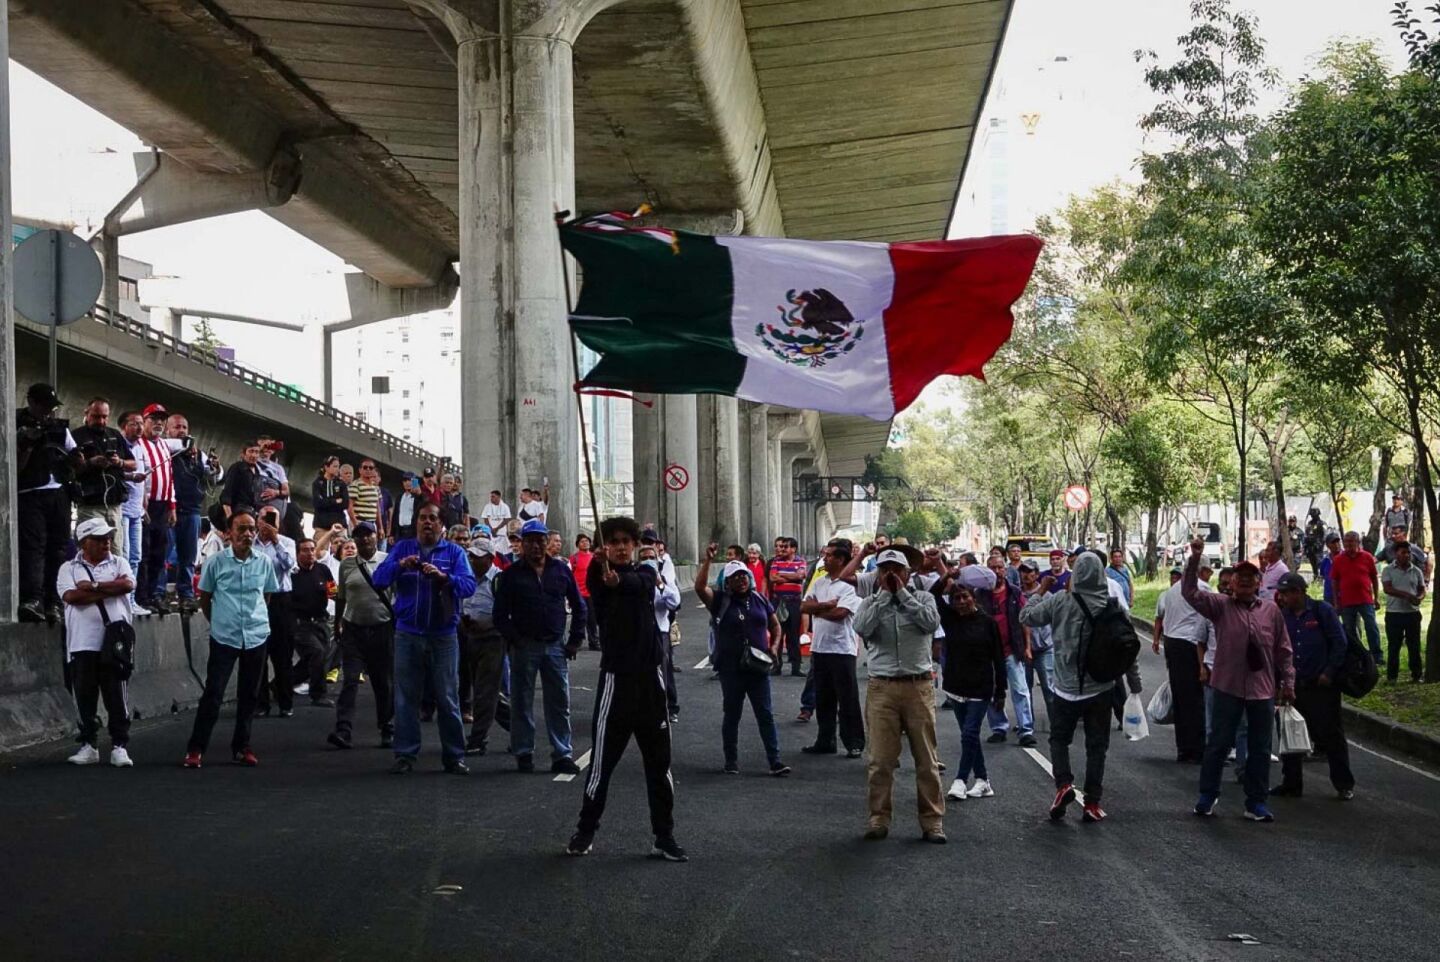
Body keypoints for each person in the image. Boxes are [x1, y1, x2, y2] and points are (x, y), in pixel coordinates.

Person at [570, 516, 687, 862]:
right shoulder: (596, 573)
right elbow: (601, 579)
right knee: (602, 764)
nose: (621, 546)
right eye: (613, 541)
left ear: (635, 545)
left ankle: (663, 836)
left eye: (626, 541)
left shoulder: (645, 572)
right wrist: (610, 577)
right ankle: (585, 830)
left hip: (651, 681)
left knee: (659, 764)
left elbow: (643, 582)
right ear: (603, 546)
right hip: (616, 682)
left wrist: (620, 578)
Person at [1183, 539, 1295, 822]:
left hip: (1262, 691)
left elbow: (1283, 649)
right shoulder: (1219, 607)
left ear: (1259, 583)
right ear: (1231, 583)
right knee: (1218, 744)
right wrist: (1195, 558)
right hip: (1226, 687)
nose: (1245, 580)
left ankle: (1256, 802)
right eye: (1239, 577)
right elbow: (1190, 592)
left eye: (1251, 577)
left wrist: (1288, 683)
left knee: (1260, 748)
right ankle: (1207, 796)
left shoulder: (1271, 611)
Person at [372, 502, 476, 774]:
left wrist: (445, 578)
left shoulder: (454, 552)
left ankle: (454, 756)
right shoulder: (402, 548)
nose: (427, 523)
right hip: (408, 633)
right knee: (406, 697)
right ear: (416, 522)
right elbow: (379, 579)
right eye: (422, 518)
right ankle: (405, 754)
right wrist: (399, 566)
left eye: (432, 518)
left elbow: (468, 586)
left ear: (441, 525)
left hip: (444, 636)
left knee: (447, 696)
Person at [1018, 552, 1123, 823]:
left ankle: (1064, 784)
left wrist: (1040, 590)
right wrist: (1133, 686)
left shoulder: (1060, 601)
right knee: (1096, 745)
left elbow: (1026, 617)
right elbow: (1124, 643)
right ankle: (1092, 802)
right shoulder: (1109, 604)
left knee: (1059, 739)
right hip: (1101, 687)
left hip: (1064, 687)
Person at [853, 546, 946, 843]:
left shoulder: (923, 598)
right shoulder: (869, 602)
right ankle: (878, 817)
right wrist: (884, 598)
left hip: (918, 686)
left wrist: (902, 595)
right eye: (884, 570)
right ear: (877, 575)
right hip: (882, 687)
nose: (890, 575)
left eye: (896, 570)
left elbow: (930, 623)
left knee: (926, 759)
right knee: (880, 760)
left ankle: (932, 822)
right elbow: (862, 628)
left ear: (907, 573)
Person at [184, 510, 279, 768]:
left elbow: (267, 595)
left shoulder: (263, 562)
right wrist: (218, 621)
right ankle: (196, 748)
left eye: (251, 529)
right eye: (241, 529)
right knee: (213, 694)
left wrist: (254, 618)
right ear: (229, 533)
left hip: (256, 634)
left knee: (249, 694)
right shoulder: (215, 562)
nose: (247, 534)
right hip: (224, 636)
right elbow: (205, 598)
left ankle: (242, 746)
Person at [493, 520, 585, 774]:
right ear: (522, 544)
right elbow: (500, 614)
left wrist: (575, 640)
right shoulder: (511, 574)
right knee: (521, 701)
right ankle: (523, 752)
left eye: (540, 540)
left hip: (556, 646)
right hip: (524, 647)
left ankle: (562, 754)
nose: (536, 545)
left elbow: (578, 606)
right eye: (530, 540)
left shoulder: (561, 570)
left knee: (559, 702)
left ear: (547, 543)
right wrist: (515, 640)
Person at [693, 546, 788, 778]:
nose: (741, 580)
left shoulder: (759, 599)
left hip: (758, 668)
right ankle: (731, 760)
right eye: (735, 577)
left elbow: (775, 625)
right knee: (732, 714)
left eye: (743, 576)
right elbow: (699, 588)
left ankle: (775, 761)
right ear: (728, 582)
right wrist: (707, 561)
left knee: (765, 714)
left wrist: (774, 646)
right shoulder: (720, 601)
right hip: (731, 669)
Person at [58, 518, 137, 768]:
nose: (107, 542)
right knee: (84, 695)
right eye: (100, 539)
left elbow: (127, 584)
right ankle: (88, 744)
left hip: (114, 640)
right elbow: (72, 596)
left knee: (116, 693)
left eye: (108, 538)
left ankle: (119, 745)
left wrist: (93, 586)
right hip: (82, 642)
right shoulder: (68, 568)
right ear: (84, 542)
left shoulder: (119, 562)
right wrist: (109, 590)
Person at [1272, 573, 1355, 800]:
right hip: (1292, 685)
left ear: (1299, 591)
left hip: (1320, 685)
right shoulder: (1281, 616)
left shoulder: (1322, 611)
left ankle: (1343, 783)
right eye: (1282, 593)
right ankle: (1291, 783)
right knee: (1289, 733)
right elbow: (1277, 650)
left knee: (1330, 734)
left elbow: (1340, 643)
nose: (1284, 597)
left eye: (1287, 593)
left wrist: (1329, 672)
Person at [933, 581, 1005, 801]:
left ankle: (961, 780)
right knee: (969, 735)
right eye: (957, 598)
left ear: (973, 597)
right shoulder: (950, 620)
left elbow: (999, 658)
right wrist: (946, 575)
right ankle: (983, 780)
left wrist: (1000, 691)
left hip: (980, 687)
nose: (962, 602)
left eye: (965, 597)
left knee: (970, 733)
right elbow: (933, 594)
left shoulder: (988, 623)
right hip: (955, 686)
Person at [328, 522, 395, 750]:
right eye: (359, 536)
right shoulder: (346, 565)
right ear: (354, 540)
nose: (364, 539)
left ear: (376, 537)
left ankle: (387, 728)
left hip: (382, 627)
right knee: (350, 680)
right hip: (354, 628)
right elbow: (341, 596)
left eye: (368, 535)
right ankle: (343, 730)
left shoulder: (388, 560)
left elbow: (396, 593)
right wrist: (338, 623)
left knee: (382, 681)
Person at [799, 538, 865, 758]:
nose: (824, 558)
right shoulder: (820, 582)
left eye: (828, 555)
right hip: (820, 648)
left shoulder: (851, 585)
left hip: (842, 649)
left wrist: (816, 610)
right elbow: (804, 606)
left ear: (840, 559)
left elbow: (841, 614)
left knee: (847, 699)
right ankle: (825, 740)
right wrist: (825, 605)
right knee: (824, 698)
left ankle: (854, 741)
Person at [975, 555, 1035, 747]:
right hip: (988, 652)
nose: (997, 571)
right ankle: (999, 727)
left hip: (1012, 650)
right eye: (993, 568)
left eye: (1000, 567)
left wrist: (1027, 647)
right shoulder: (979, 594)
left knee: (1020, 690)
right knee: (992, 690)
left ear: (1006, 570)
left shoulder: (1014, 593)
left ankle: (1026, 729)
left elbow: (1024, 620)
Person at [1153, 565, 1210, 763]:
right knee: (1197, 698)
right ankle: (1198, 748)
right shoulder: (1203, 589)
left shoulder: (1170, 591)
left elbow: (1163, 616)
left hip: (1173, 643)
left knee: (1180, 697)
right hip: (1192, 645)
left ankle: (1184, 748)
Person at [134, 405, 186, 613]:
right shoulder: (138, 445)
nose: (158, 423)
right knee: (144, 552)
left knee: (159, 554)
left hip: (163, 506)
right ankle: (142, 596)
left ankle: (155, 595)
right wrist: (140, 503)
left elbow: (169, 479)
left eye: (161, 420)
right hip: (146, 505)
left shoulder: (164, 446)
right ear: (144, 421)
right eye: (153, 419)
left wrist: (172, 506)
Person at [167, 413, 220, 614]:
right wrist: (184, 447)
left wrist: (215, 467)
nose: (181, 431)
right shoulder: (165, 448)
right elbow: (167, 446)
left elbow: (215, 476)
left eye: (184, 427)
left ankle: (186, 595)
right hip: (170, 509)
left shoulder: (198, 454)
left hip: (192, 510)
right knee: (163, 555)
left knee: (188, 557)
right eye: (177, 427)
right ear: (168, 429)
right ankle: (159, 592)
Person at [460, 541, 506, 756]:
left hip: (493, 640)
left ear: (490, 558)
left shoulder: (500, 581)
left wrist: (488, 624)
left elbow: (508, 614)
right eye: (471, 556)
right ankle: (519, 726)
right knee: (485, 691)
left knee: (485, 691)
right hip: (470, 638)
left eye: (478, 556)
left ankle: (478, 738)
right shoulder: (468, 579)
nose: (473, 560)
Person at [69, 397, 134, 540]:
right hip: (90, 504)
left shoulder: (114, 435)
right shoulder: (76, 436)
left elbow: (133, 464)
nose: (101, 421)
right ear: (86, 414)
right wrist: (90, 463)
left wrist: (119, 462)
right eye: (96, 416)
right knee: (92, 548)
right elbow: (69, 471)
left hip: (114, 505)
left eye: (104, 417)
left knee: (117, 552)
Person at [289, 537, 336, 708]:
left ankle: (282, 684)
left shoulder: (323, 570)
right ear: (297, 553)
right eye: (305, 550)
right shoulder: (292, 573)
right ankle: (318, 695)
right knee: (316, 653)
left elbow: (333, 592)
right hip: (301, 625)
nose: (309, 553)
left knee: (318, 658)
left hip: (321, 622)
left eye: (312, 549)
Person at [1332, 531, 1383, 663]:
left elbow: (1374, 578)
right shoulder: (1338, 560)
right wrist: (1337, 602)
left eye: (1351, 541)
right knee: (1350, 630)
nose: (1348, 544)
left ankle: (1377, 655)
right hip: (1347, 601)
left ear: (1357, 542)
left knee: (1371, 627)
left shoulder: (1367, 557)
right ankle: (1357, 655)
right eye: (1346, 541)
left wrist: (1376, 597)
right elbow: (1335, 581)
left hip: (1365, 599)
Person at [1381, 541, 1427, 684]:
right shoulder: (1388, 570)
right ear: (1396, 554)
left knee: (1414, 645)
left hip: (1412, 614)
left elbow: (1422, 589)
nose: (1407, 555)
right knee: (1394, 646)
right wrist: (1407, 595)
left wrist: (1418, 598)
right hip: (1394, 613)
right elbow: (1387, 589)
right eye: (1403, 553)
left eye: (1408, 553)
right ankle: (1392, 677)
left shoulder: (1416, 571)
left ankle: (1416, 675)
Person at [767, 536, 808, 676]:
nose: (781, 549)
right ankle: (776, 665)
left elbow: (801, 576)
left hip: (794, 602)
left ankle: (796, 667)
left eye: (785, 547)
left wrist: (782, 576)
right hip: (778, 601)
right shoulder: (775, 561)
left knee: (793, 635)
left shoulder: (801, 561)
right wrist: (793, 576)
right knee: (777, 633)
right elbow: (773, 578)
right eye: (781, 546)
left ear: (793, 549)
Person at [219, 441, 264, 521]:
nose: (254, 455)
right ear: (243, 454)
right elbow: (227, 493)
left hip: (251, 513)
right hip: (237, 511)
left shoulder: (257, 472)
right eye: (251, 451)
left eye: (257, 452)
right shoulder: (237, 468)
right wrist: (230, 518)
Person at [570, 534, 600, 651]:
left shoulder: (594, 558)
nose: (585, 543)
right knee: (579, 618)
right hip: (579, 593)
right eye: (582, 541)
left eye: (587, 541)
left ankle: (594, 642)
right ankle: (577, 641)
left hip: (591, 592)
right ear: (578, 544)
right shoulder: (574, 558)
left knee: (592, 619)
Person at [312, 456, 350, 533]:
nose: (338, 469)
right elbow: (317, 503)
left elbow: (345, 504)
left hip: (340, 525)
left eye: (338, 466)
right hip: (321, 525)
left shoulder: (341, 484)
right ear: (326, 467)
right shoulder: (317, 483)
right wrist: (335, 501)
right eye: (335, 466)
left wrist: (326, 502)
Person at [348, 459, 384, 534]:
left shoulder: (376, 487)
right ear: (360, 470)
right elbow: (349, 506)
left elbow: (377, 509)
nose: (368, 469)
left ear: (374, 470)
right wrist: (355, 523)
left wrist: (380, 528)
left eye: (371, 468)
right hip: (360, 521)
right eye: (365, 467)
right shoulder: (355, 485)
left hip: (372, 523)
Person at [391, 474, 421, 542]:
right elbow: (395, 515)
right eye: (405, 480)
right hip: (399, 531)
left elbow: (423, 502)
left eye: (410, 480)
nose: (407, 483)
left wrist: (417, 491)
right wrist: (392, 533)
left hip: (412, 531)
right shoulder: (399, 497)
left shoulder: (417, 498)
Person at [1303, 508, 1327, 576]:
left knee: (1319, 563)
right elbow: (1306, 535)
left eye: (1314, 515)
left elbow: (1324, 536)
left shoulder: (1322, 524)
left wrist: (1319, 544)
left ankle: (1320, 577)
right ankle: (1315, 577)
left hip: (1318, 549)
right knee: (1313, 564)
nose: (1313, 516)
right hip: (1310, 547)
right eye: (1312, 515)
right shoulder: (1309, 524)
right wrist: (1305, 546)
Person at [1319, 532, 1341, 604]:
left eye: (1338, 542)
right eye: (1333, 542)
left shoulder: (1345, 558)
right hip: (1328, 595)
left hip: (1343, 594)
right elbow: (1323, 575)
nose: (1336, 545)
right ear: (1328, 545)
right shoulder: (1325, 561)